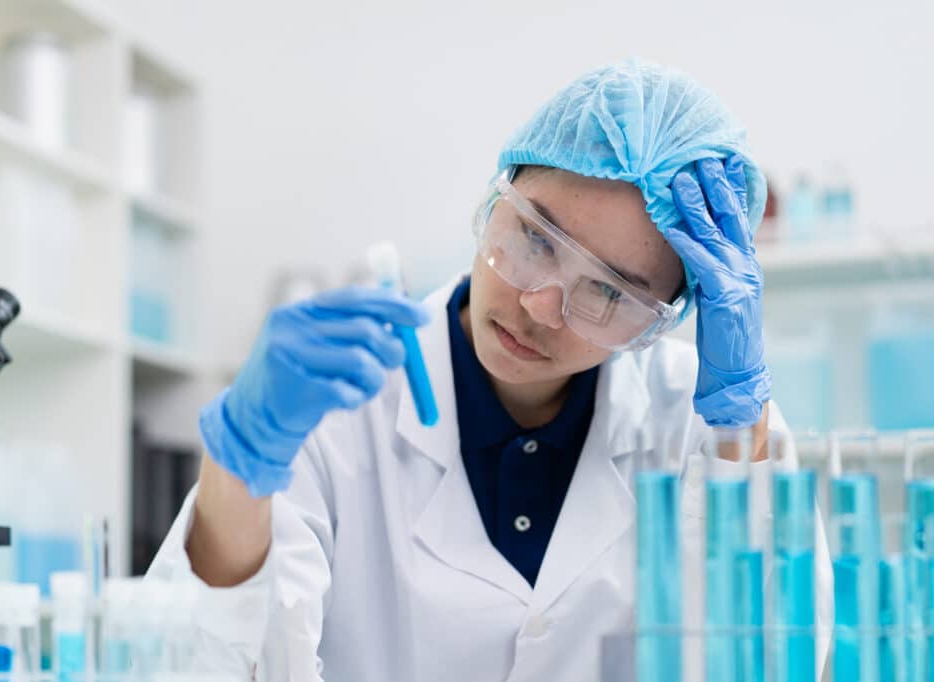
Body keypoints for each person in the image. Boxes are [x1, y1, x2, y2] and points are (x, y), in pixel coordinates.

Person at [148, 58, 832, 680]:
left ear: (665, 319)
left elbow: (778, 660)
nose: (539, 307)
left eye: (608, 292)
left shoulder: (698, 424)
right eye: (535, 237)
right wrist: (237, 461)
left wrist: (742, 436)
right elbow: (191, 665)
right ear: (493, 202)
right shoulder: (338, 404)